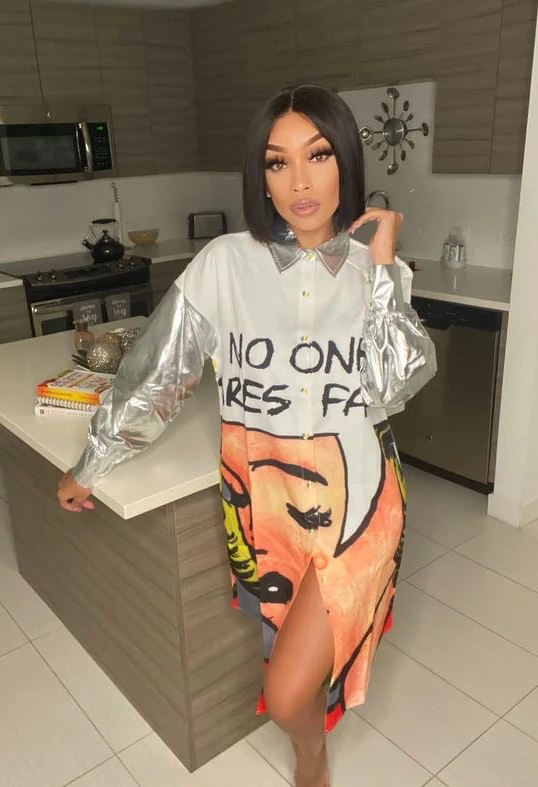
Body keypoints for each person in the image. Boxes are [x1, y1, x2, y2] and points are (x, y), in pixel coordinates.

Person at [57, 83, 436, 787]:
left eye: (318, 156)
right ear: (260, 176)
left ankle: (311, 761)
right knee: (286, 650)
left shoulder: (379, 271)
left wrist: (383, 267)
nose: (299, 182)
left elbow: (394, 385)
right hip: (264, 506)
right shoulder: (225, 263)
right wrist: (93, 462)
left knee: (287, 692)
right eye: (277, 162)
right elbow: (158, 372)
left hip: (359, 503)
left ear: (345, 161)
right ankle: (313, 741)